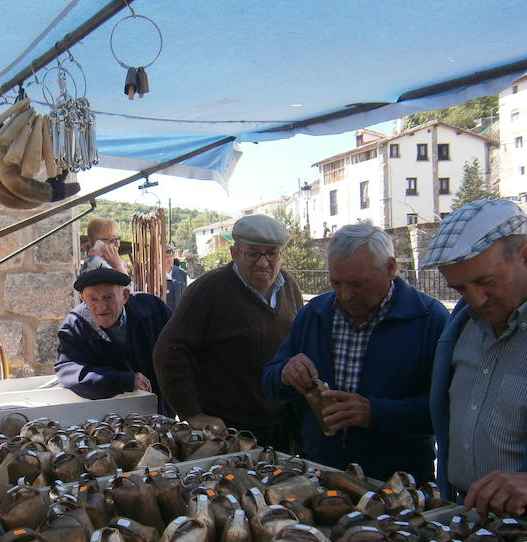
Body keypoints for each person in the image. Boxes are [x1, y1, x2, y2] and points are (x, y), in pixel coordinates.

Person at [263, 223, 448, 483]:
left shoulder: (429, 319)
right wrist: (284, 374)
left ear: (391, 268)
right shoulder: (314, 313)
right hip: (320, 473)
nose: (346, 295)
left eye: (358, 283)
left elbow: (447, 411)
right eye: (336, 283)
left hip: (397, 483)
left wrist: (376, 413)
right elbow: (270, 383)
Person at [153, 214, 302, 447]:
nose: (263, 262)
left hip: (281, 425)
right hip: (226, 430)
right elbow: (169, 351)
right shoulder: (208, 290)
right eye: (253, 253)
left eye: (272, 253)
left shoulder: (289, 286)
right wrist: (193, 414)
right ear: (234, 253)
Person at [421, 198, 527, 516]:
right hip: (468, 520)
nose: (476, 300)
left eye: (486, 281)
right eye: (461, 289)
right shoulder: (461, 326)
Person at [56, 267, 172, 415]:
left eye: (108, 297)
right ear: (83, 299)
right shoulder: (74, 326)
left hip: (160, 408)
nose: (101, 307)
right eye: (93, 299)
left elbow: (179, 348)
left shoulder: (152, 308)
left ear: (125, 296)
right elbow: (68, 371)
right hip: (108, 417)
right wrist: (125, 380)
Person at [164, 244, 188, 311]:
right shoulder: (156, 276)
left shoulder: (182, 274)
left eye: (171, 256)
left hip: (180, 314)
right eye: (166, 257)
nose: (169, 259)